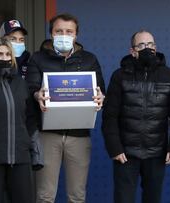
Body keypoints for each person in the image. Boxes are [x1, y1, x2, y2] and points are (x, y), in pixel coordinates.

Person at [26, 13, 105, 203]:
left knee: (77, 196)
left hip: (79, 135)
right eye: (59, 31)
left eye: (69, 31)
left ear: (76, 35)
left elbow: (100, 89)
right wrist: (38, 95)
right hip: (47, 134)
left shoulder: (89, 59)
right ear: (52, 34)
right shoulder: (38, 58)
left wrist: (101, 97)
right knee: (45, 196)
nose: (64, 35)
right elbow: (30, 89)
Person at [102, 30, 170, 203]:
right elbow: (110, 116)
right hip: (126, 154)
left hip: (157, 153)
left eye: (150, 45)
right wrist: (115, 148)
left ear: (156, 47)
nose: (147, 48)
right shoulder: (120, 76)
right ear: (132, 51)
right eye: (141, 45)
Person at [0, 37, 38, 203]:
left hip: (20, 156)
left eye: (8, 54)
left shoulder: (20, 83)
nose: (4, 58)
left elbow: (30, 118)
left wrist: (31, 146)